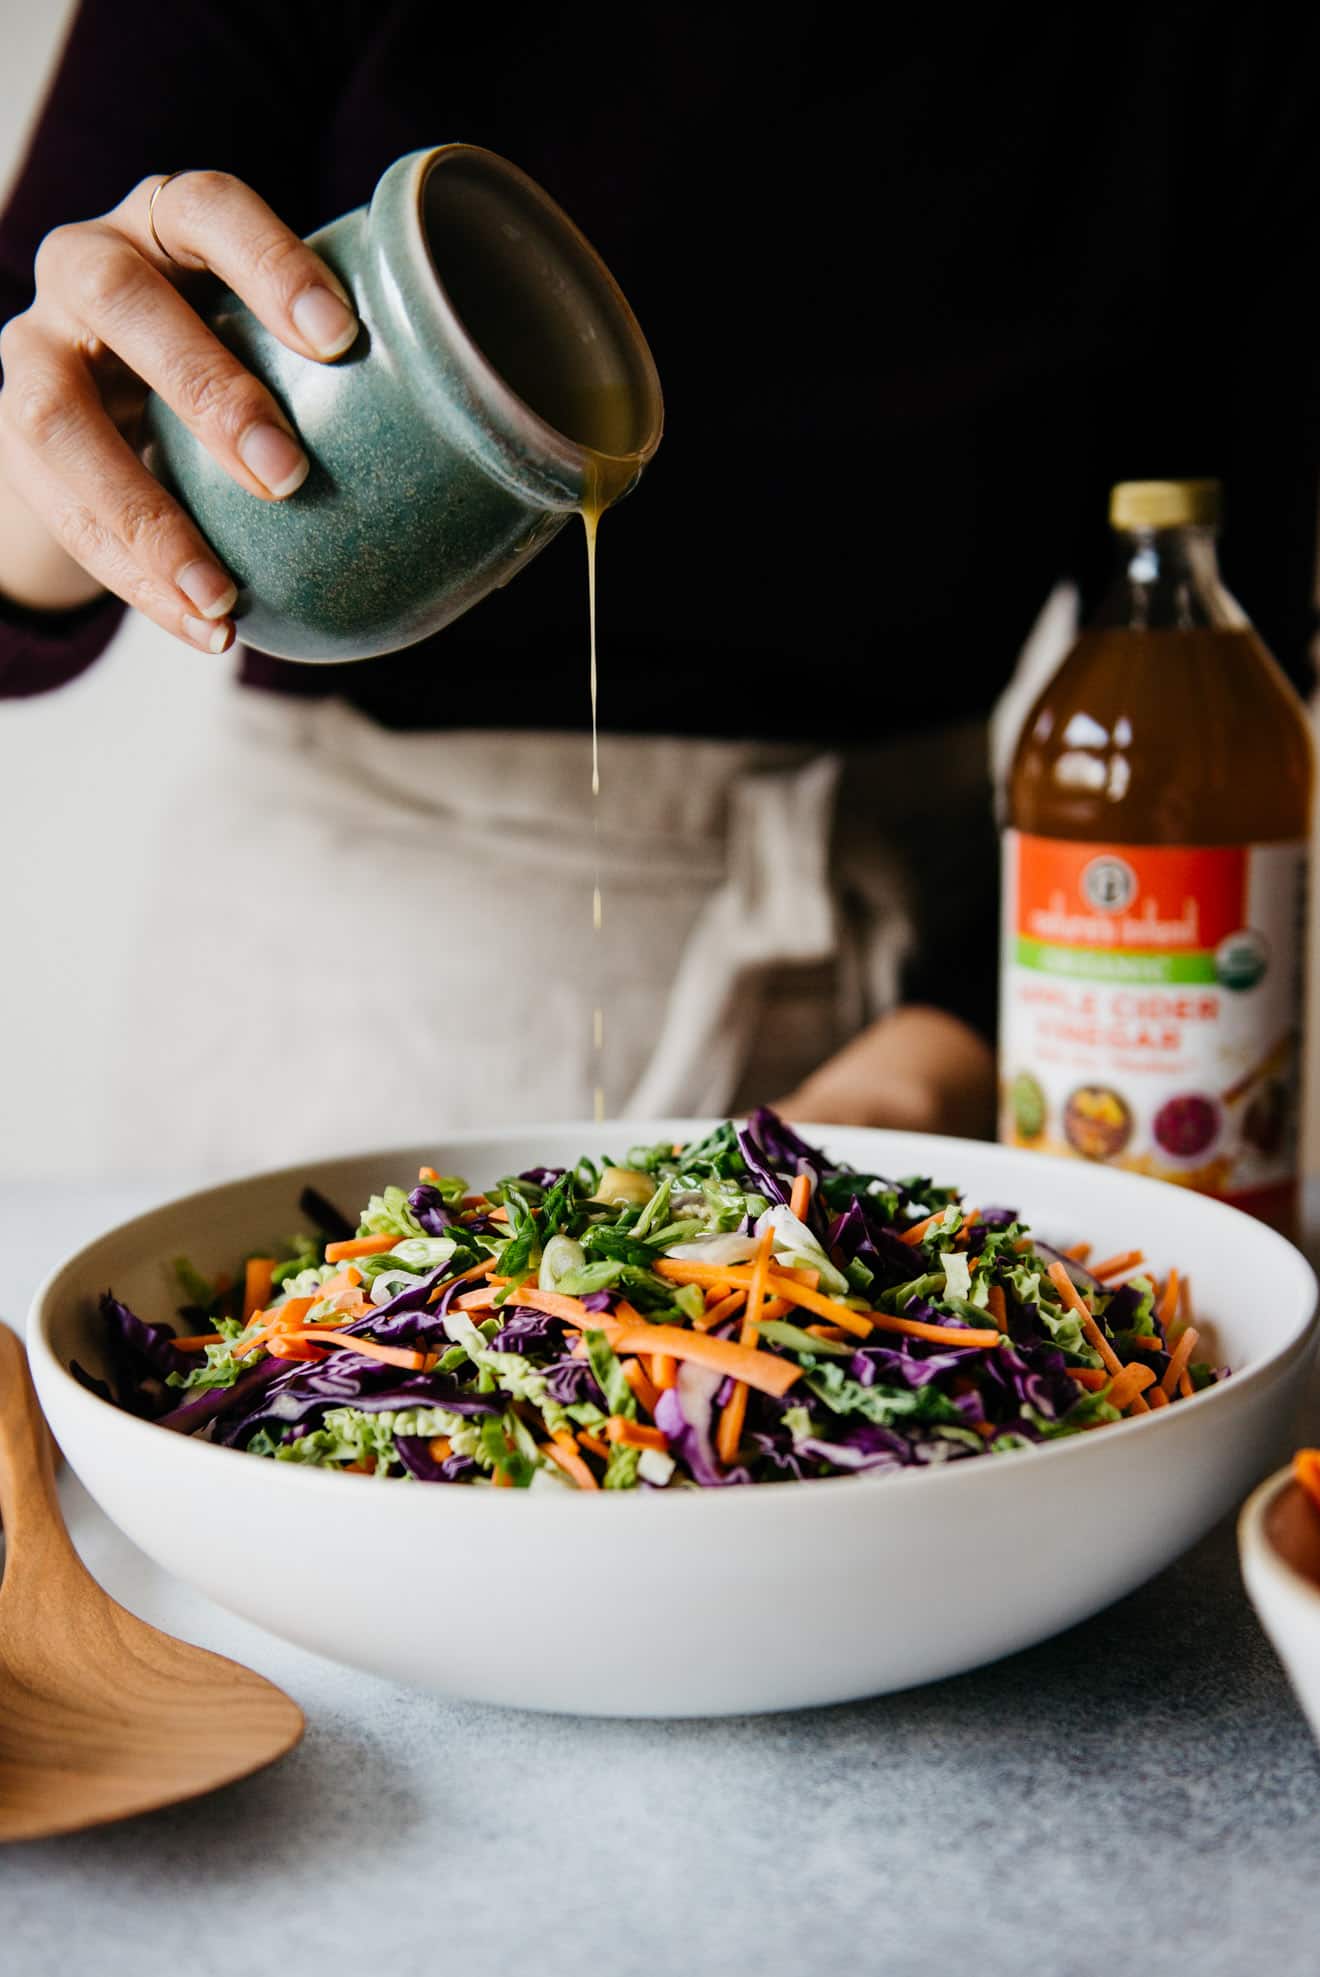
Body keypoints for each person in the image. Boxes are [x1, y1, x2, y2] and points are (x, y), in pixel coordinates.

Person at [2, 4, 1316, 1172]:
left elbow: (1213, 687)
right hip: (358, 1008)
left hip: (928, 994)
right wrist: (55, 463)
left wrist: (941, 1049)